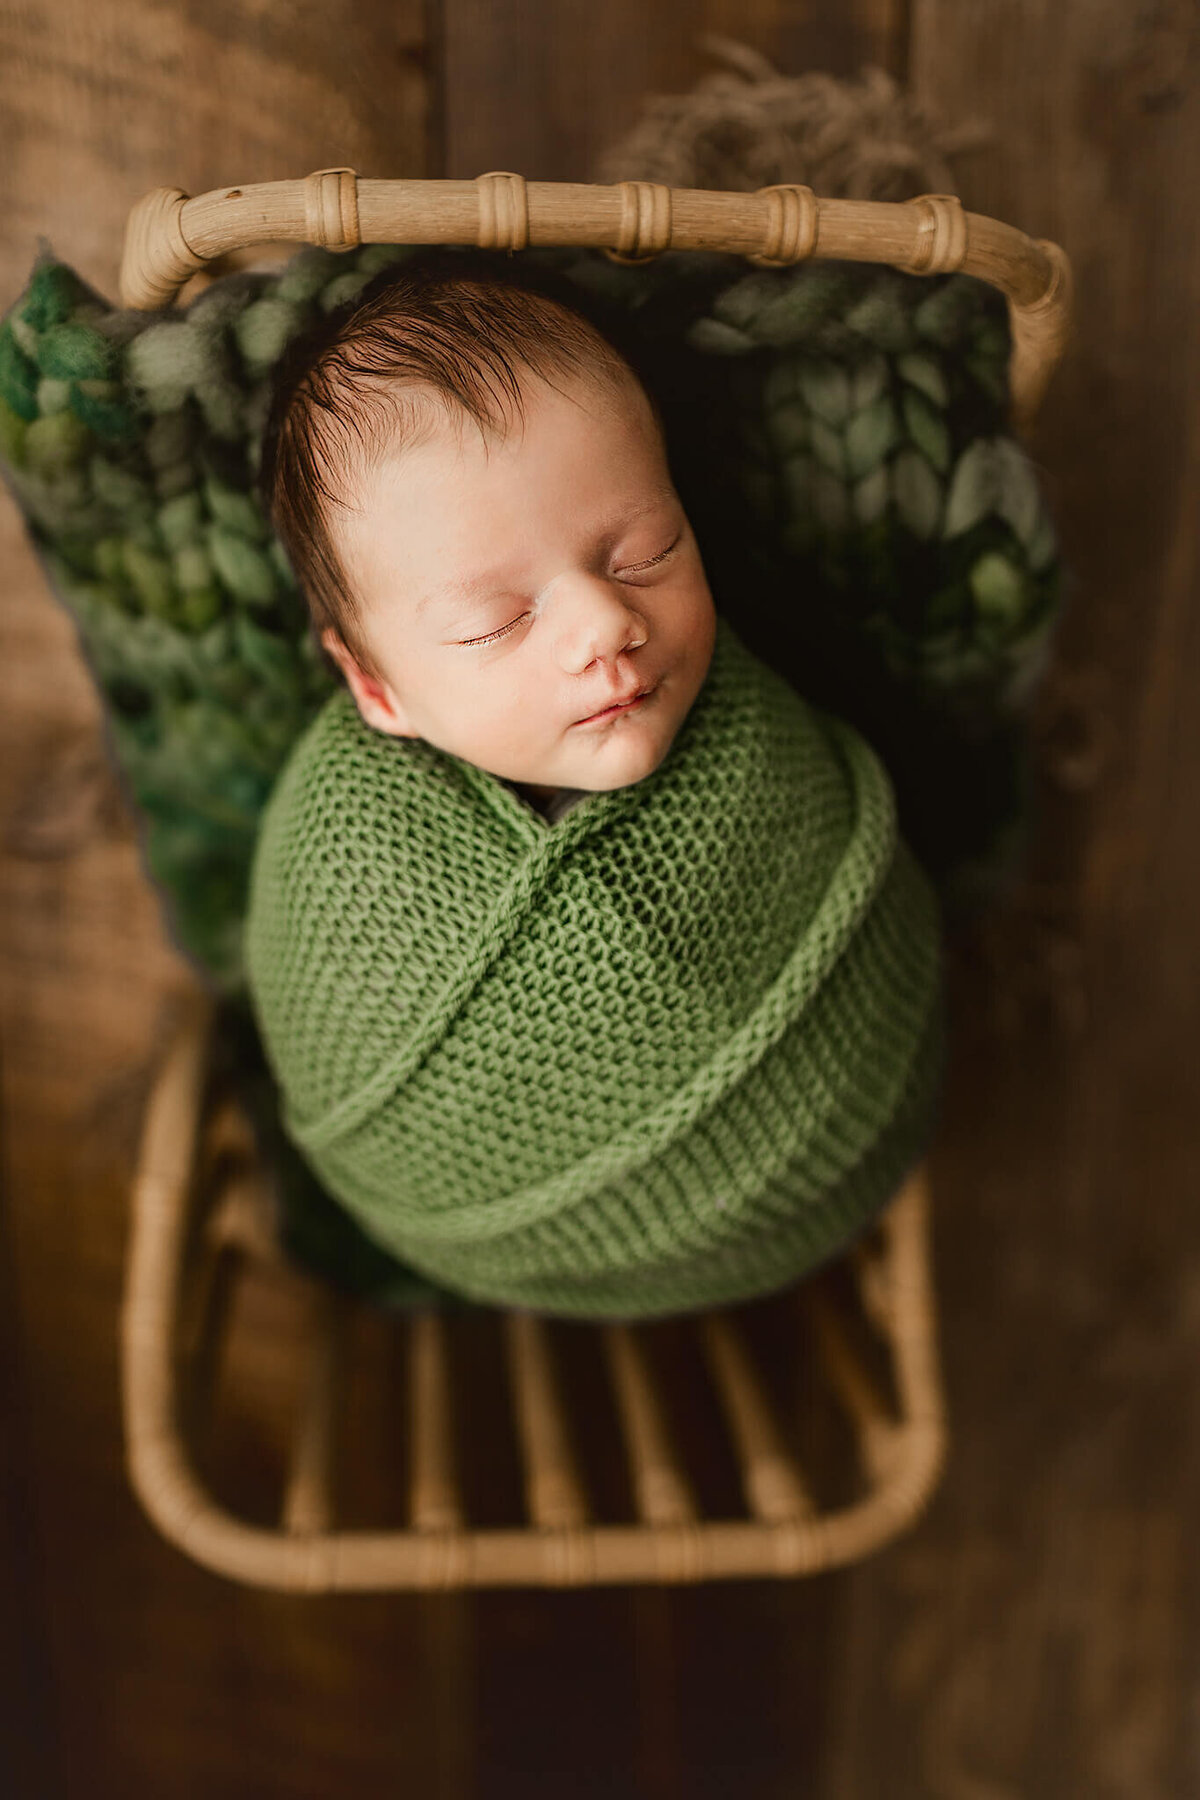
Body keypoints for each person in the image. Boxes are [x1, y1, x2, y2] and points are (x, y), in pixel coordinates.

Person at [259, 251, 719, 823]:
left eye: (649, 553)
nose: (604, 627)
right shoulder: (340, 833)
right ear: (375, 687)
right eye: (494, 624)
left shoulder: (773, 752)